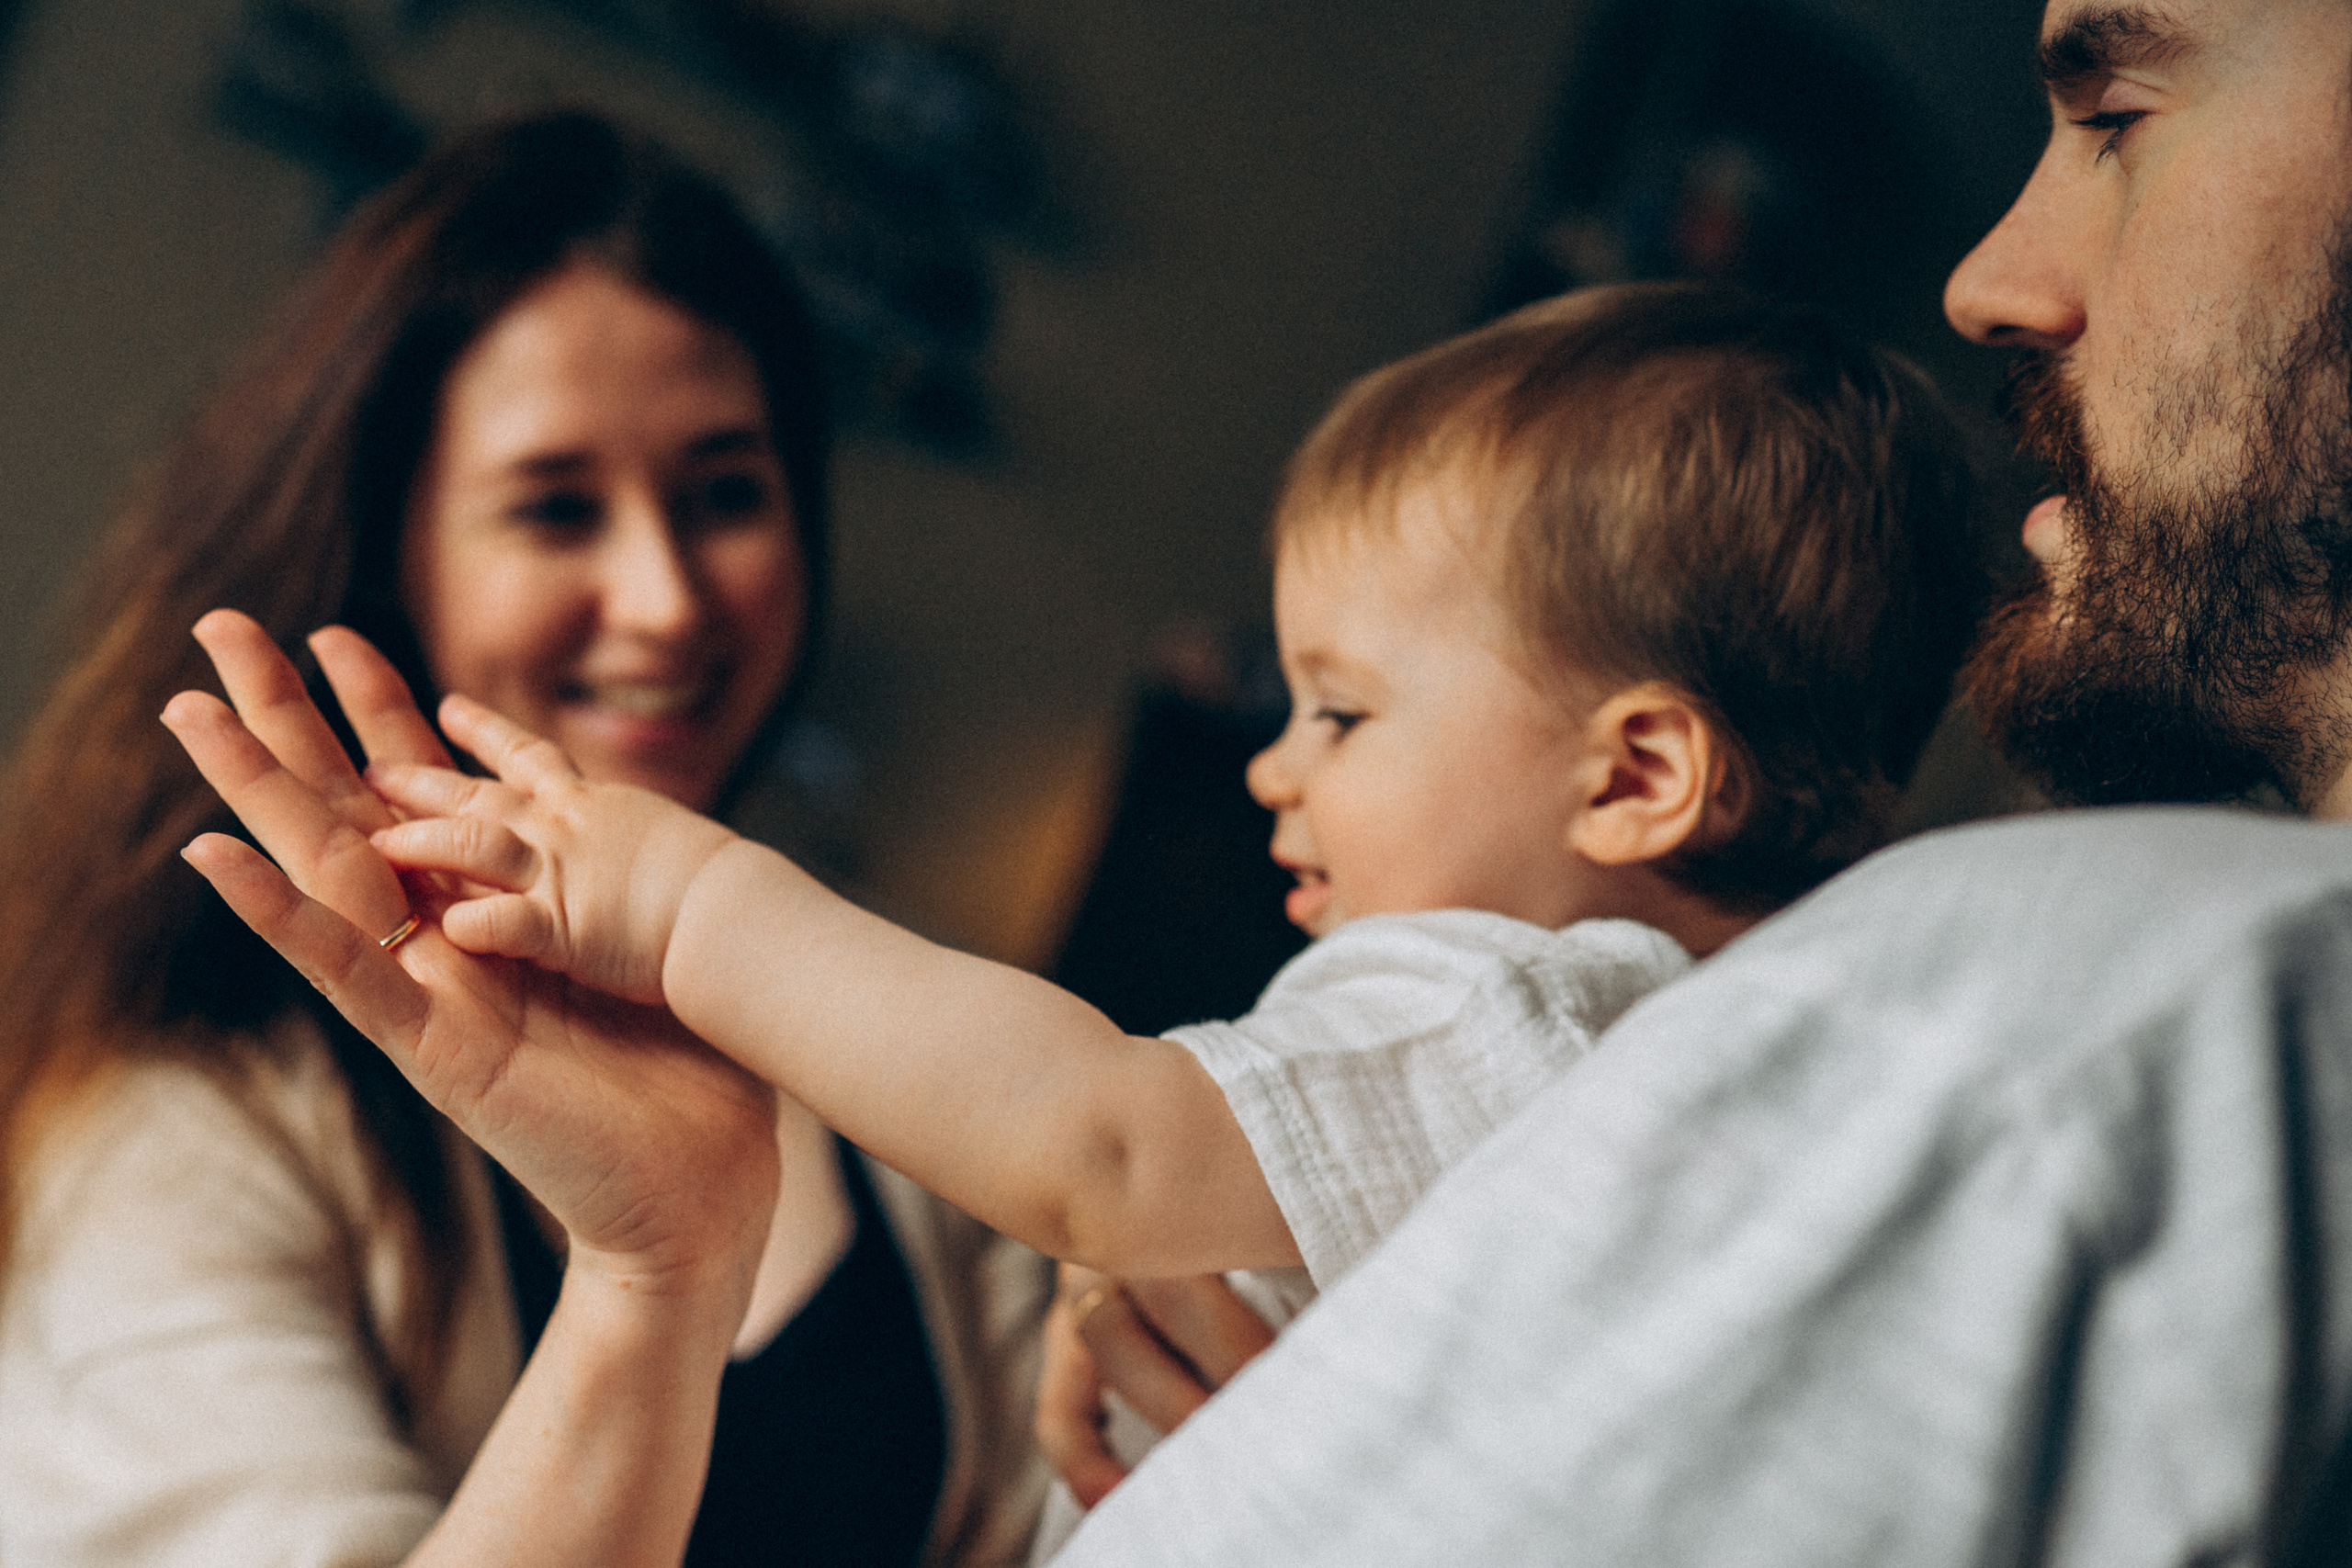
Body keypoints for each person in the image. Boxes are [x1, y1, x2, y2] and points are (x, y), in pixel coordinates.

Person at [142, 0, 2352, 1559]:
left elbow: (1094, 1136)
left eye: (1346, 712)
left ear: (1639, 771)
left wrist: (681, 905)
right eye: (551, 506)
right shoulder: (180, 1148)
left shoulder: (1506, 998)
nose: (1275, 769)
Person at [0, 112, 1046, 1567]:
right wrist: (659, 1276)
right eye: (557, 508)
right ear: (390, 559)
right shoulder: (188, 1121)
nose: (668, 597)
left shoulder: (901, 1021)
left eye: (727, 494)